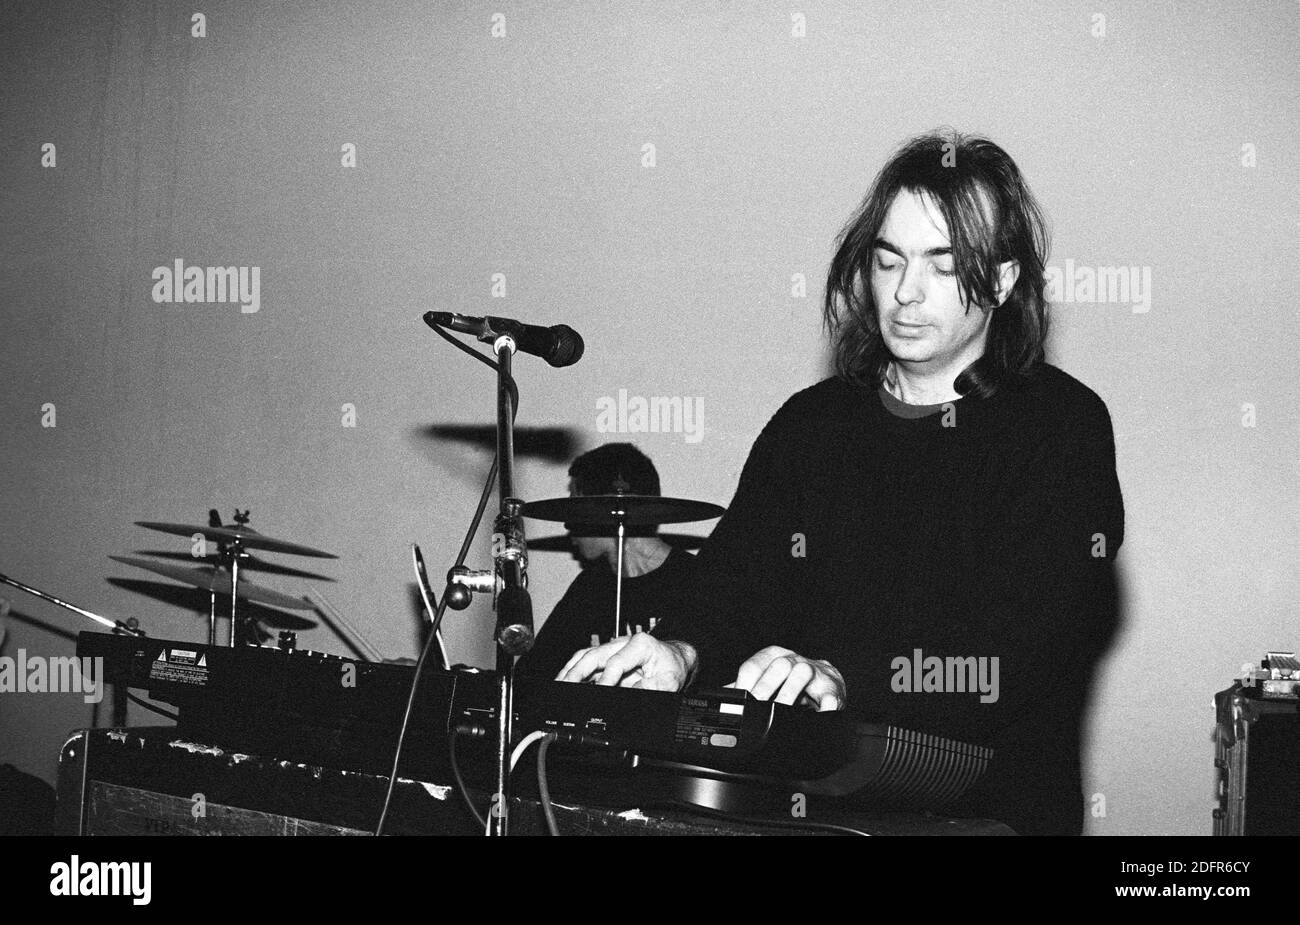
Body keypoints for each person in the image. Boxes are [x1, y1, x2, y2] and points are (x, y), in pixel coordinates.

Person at [558, 130, 1124, 836]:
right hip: (804, 808)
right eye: (889, 262)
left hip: (988, 813)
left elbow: (1016, 647)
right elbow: (738, 577)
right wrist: (680, 647)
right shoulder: (811, 425)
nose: (906, 292)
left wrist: (843, 675)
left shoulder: (1060, 427)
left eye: (943, 267)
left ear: (1004, 280)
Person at [515, 443, 699, 680]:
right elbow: (532, 675)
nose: (567, 523)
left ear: (602, 510)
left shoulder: (696, 580)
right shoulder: (589, 587)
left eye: (576, 506)